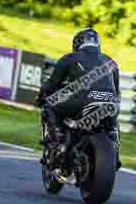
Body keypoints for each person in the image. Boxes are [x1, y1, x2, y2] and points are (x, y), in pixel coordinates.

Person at [35, 28, 122, 170]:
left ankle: (58, 144)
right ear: (98, 43)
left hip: (82, 102)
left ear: (77, 43)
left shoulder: (69, 58)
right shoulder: (111, 61)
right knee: (112, 124)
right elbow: (116, 91)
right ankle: (115, 151)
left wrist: (40, 97)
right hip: (109, 104)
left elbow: (51, 85)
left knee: (48, 106)